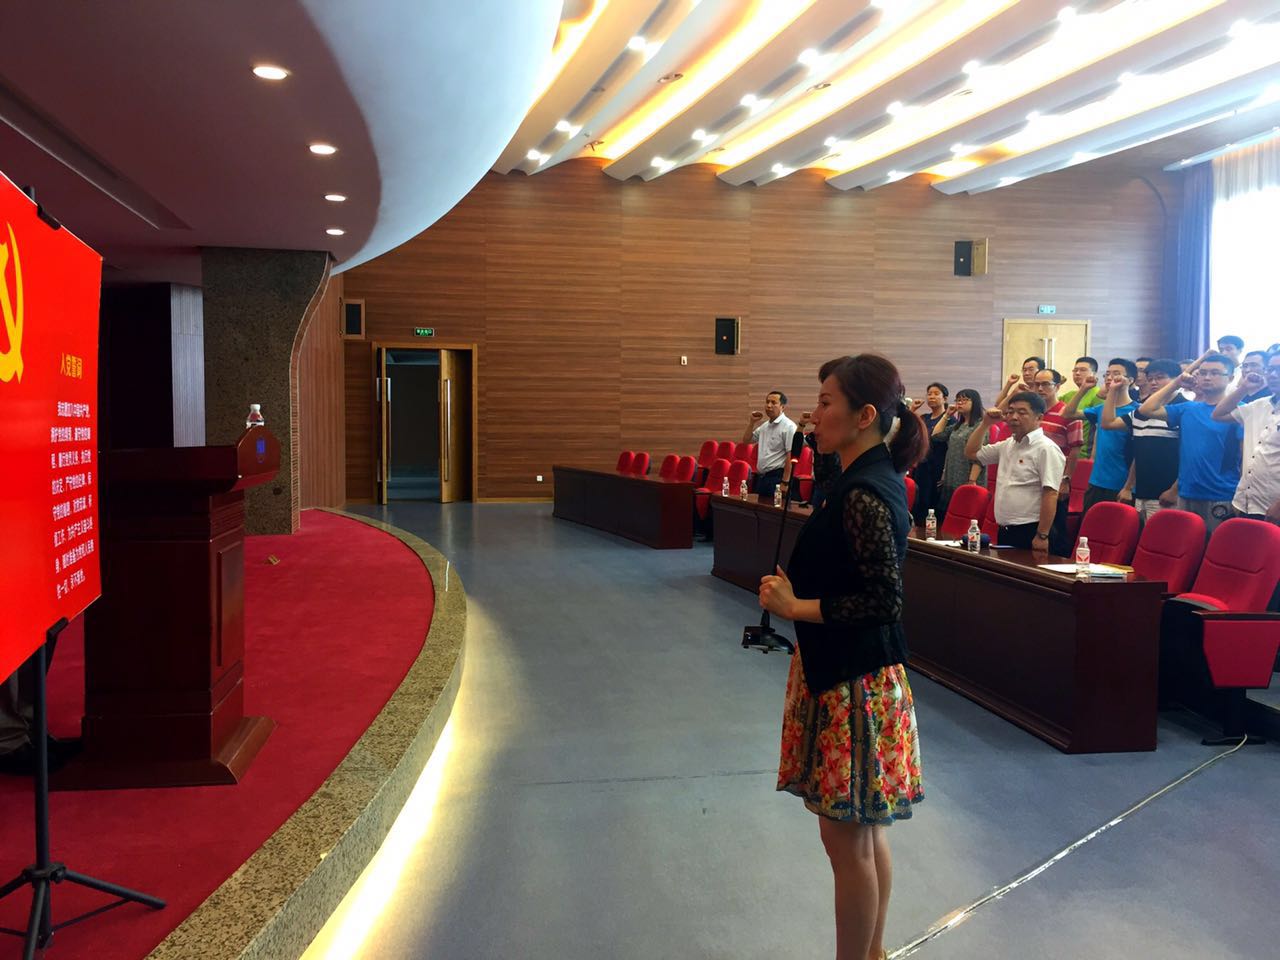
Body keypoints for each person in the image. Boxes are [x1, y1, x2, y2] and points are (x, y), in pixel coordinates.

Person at [760, 354, 927, 960]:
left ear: (864, 415)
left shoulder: (865, 492)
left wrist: (795, 606)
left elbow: (884, 600)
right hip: (844, 671)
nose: (815, 413)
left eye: (827, 401)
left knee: (847, 843)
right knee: (863, 834)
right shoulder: (857, 478)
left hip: (855, 681)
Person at [1139, 352, 1242, 535]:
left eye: (1215, 373)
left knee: (1214, 548)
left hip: (1221, 494)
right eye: (1203, 373)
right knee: (1185, 546)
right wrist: (1177, 382)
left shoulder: (1238, 413)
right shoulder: (1188, 408)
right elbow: (1146, 409)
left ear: (1231, 378)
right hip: (1187, 493)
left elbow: (1244, 459)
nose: (1207, 377)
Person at [965, 391, 1066, 554]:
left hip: (1031, 530)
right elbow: (971, 452)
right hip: (1006, 529)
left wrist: (1042, 535)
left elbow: (1051, 493)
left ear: (1039, 418)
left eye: (1022, 412)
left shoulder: (1046, 448)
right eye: (1010, 411)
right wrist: (985, 424)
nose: (1013, 417)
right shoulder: (1008, 445)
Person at [1100, 359, 1183, 522]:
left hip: (1168, 494)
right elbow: (1108, 424)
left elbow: (1189, 457)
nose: (1154, 382)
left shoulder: (1184, 408)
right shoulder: (1142, 410)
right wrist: (1113, 391)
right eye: (1150, 379)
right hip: (1143, 491)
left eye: (1160, 377)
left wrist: (1174, 490)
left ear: (1176, 379)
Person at [1212, 351, 1280, 523]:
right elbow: (1218, 414)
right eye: (1270, 369)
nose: (1273, 375)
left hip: (1275, 504)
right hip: (1248, 501)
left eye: (1279, 370)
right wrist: (1243, 388)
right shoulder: (1260, 405)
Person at [1064, 359, 1138, 515]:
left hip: (1121, 485)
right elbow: (1067, 414)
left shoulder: (1137, 411)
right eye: (1107, 374)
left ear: (1130, 380)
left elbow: (1139, 454)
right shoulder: (1101, 408)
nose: (1110, 378)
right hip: (1096, 481)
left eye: (1116, 374)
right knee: (1088, 526)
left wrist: (1128, 487)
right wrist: (1083, 389)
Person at [932, 389, 986, 522]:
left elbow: (980, 456)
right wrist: (947, 415)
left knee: (966, 518)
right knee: (950, 517)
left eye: (964, 400)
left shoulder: (981, 425)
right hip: (952, 476)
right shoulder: (958, 425)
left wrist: (972, 481)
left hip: (968, 477)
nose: (960, 403)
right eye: (958, 400)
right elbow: (936, 436)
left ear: (975, 402)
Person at [909, 382, 950, 524]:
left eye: (936, 394)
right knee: (919, 502)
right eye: (929, 394)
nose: (931, 396)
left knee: (933, 505)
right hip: (922, 465)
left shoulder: (950, 419)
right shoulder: (924, 418)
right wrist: (913, 409)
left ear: (945, 398)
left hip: (938, 466)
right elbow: (909, 431)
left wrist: (945, 471)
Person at [743, 390, 797, 499]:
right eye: (767, 402)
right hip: (762, 478)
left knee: (775, 508)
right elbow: (747, 441)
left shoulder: (789, 426)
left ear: (782, 407)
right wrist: (752, 422)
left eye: (773, 403)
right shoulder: (765, 426)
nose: (769, 405)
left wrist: (785, 482)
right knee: (761, 508)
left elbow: (790, 455)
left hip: (777, 478)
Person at [1060, 357, 1101, 456]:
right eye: (1075, 370)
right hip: (1065, 452)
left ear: (1094, 374)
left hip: (1085, 454)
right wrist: (1055, 384)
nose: (1077, 373)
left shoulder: (1098, 395)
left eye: (1083, 370)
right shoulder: (1069, 395)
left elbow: (1100, 429)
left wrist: (1093, 457)